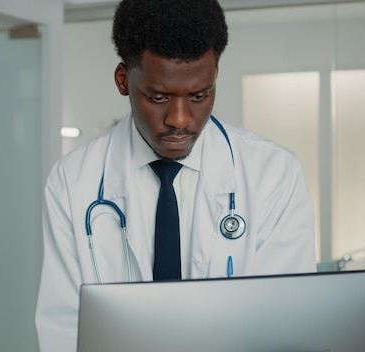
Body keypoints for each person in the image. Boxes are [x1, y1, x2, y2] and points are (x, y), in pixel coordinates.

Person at [35, 0, 316, 350]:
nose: (180, 119)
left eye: (199, 95)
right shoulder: (72, 182)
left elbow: (287, 323)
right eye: (158, 96)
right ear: (123, 81)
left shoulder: (272, 175)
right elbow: (64, 329)